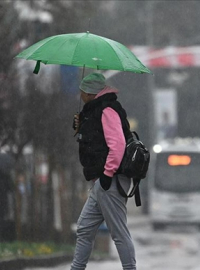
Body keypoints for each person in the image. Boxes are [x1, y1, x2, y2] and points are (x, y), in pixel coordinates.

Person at [70, 73, 136, 270]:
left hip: (110, 180)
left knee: (119, 233)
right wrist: (80, 125)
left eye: (82, 90)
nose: (80, 94)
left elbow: (118, 145)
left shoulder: (107, 110)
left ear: (90, 93)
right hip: (101, 181)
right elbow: (95, 139)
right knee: (84, 228)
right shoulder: (95, 110)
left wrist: (108, 175)